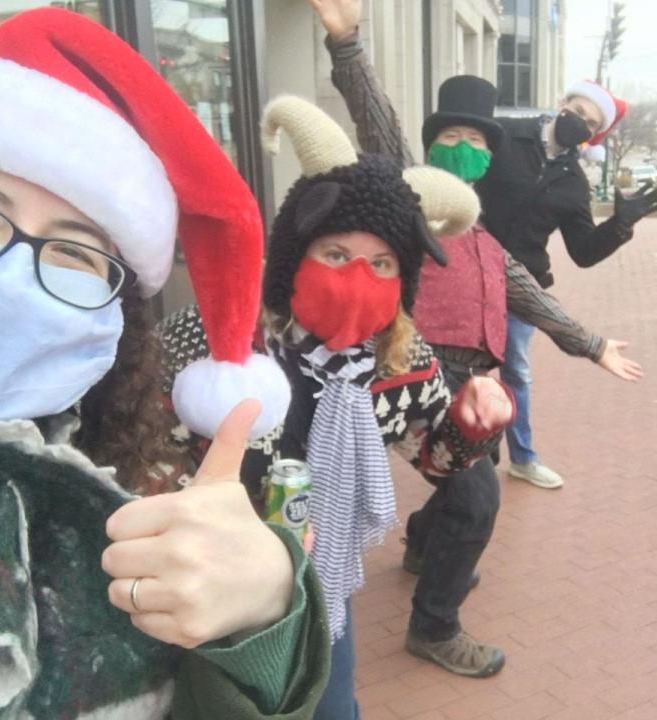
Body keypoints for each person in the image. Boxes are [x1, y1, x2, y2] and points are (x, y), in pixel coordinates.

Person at [0, 9, 328, 719]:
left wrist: (262, 618)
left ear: (115, 321)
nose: (11, 276)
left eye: (72, 251)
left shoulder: (113, 508)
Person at [312, 0, 642, 678]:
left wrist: (593, 343)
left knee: (470, 480)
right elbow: (377, 123)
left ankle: (425, 546)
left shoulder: (486, 240)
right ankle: (434, 626)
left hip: (467, 386)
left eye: (477, 140)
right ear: (431, 145)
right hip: (405, 377)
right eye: (451, 135)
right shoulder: (406, 199)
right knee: (478, 496)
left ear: (491, 157)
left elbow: (533, 295)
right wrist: (348, 46)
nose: (463, 147)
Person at [160, 96, 515, 719]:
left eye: (381, 263)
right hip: (204, 584)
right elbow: (131, 444)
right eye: (334, 255)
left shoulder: (398, 359)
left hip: (323, 575)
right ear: (295, 255)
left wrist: (470, 425)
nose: (358, 279)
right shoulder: (219, 339)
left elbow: (436, 463)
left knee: (334, 709)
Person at [476, 81, 657, 488]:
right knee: (458, 362)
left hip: (522, 287)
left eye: (591, 123)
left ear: (594, 135)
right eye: (578, 110)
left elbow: (583, 251)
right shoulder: (505, 133)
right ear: (563, 103)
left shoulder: (573, 182)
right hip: (469, 274)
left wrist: (621, 223)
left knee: (516, 372)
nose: (580, 122)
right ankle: (469, 443)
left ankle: (523, 458)